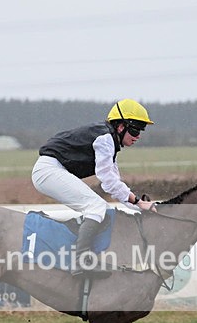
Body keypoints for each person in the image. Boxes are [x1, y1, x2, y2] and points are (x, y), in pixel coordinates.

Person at [32, 99, 157, 275]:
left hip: (52, 170)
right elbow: (108, 182)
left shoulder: (109, 141)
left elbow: (115, 183)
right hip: (48, 170)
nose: (138, 136)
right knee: (96, 207)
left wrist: (138, 205)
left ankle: (84, 256)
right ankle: (81, 262)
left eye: (141, 131)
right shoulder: (105, 139)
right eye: (135, 130)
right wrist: (138, 203)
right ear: (121, 127)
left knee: (102, 209)